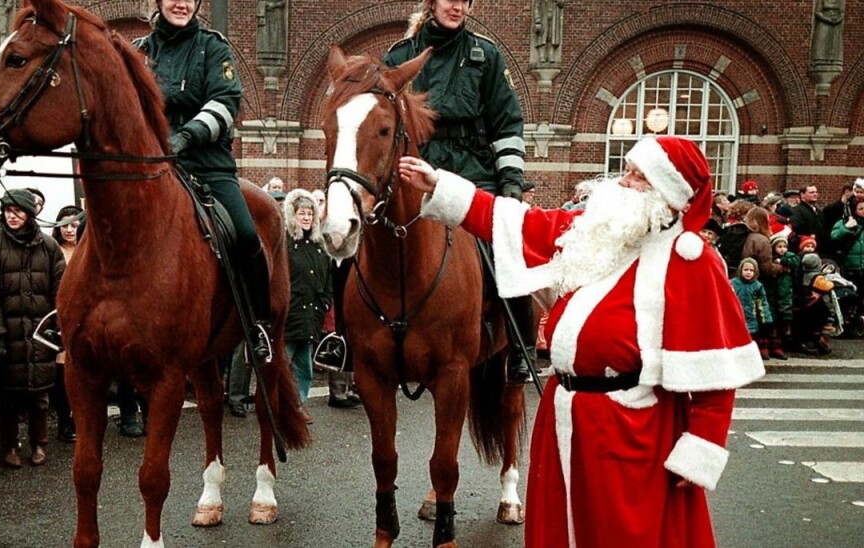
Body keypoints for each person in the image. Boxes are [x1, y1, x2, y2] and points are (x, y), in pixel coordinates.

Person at [399, 135, 765, 546]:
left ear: (669, 196)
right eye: (627, 171)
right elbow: (518, 223)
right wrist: (440, 186)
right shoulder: (599, 231)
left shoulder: (688, 259)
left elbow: (714, 374)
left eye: (638, 177)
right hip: (565, 417)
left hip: (633, 428)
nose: (623, 182)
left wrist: (697, 453)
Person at [317, 0, 535, 383]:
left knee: (504, 246)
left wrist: (511, 185)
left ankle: (520, 347)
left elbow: (507, 124)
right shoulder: (400, 56)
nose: (458, 6)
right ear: (431, 3)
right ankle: (345, 339)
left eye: (465, 0)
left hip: (472, 172)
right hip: (416, 169)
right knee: (354, 242)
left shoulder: (486, 56)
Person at [134, 0, 273, 361]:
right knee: (95, 224)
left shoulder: (214, 47)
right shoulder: (138, 51)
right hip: (150, 167)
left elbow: (226, 103)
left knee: (245, 233)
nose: (181, 3)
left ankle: (259, 323)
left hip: (207, 165)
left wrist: (187, 136)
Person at [0, 189, 66, 468]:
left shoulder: (48, 246)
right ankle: (9, 446)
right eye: (7, 211)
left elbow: (61, 289)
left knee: (40, 394)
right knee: (8, 397)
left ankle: (39, 444)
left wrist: (58, 328)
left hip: (41, 331)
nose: (11, 216)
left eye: (18, 211)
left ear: (30, 214)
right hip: (9, 332)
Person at [283, 190, 333, 422]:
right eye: (302, 213)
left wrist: (323, 304)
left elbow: (327, 280)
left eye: (309, 214)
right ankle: (278, 404)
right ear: (293, 215)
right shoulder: (285, 244)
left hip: (312, 315)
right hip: (290, 314)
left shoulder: (319, 246)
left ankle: (298, 404)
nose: (306, 218)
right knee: (282, 364)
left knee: (305, 367)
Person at [50, 206, 83, 442]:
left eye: (74, 225)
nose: (69, 230)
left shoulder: (89, 249)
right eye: (64, 225)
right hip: (60, 315)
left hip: (88, 316)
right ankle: (65, 421)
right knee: (63, 370)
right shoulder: (52, 250)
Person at [731, 258, 774, 360]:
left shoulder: (757, 286)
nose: (748, 273)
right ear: (740, 270)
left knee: (752, 335)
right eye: (746, 270)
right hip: (736, 316)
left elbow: (762, 303)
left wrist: (766, 318)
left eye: (751, 270)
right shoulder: (733, 283)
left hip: (752, 316)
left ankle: (751, 353)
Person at [768, 235, 800, 358]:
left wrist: (783, 262)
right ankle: (775, 340)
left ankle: (785, 332)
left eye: (784, 246)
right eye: (779, 247)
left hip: (786, 290)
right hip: (776, 289)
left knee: (785, 311)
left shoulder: (789, 256)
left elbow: (795, 262)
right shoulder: (771, 257)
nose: (782, 249)